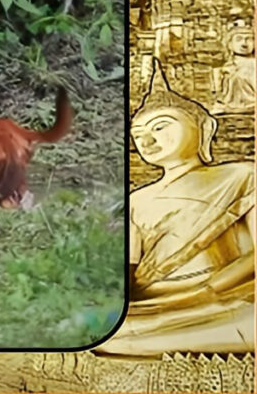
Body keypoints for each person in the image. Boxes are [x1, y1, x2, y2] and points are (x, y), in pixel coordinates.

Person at [96, 58, 254, 356]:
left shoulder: (243, 176)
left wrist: (212, 288)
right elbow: (125, 272)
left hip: (228, 297)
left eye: (160, 127)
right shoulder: (136, 200)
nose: (149, 141)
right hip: (156, 304)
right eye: (138, 136)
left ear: (203, 127)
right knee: (98, 329)